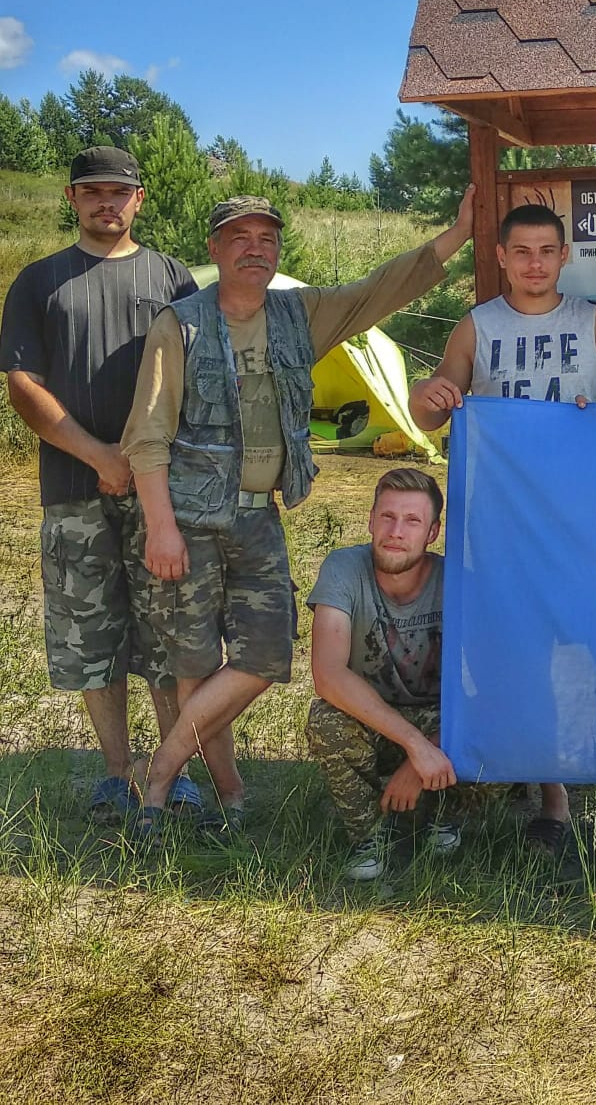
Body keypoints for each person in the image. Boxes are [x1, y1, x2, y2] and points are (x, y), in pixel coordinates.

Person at [121, 187, 475, 844]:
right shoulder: (181, 325)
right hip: (189, 519)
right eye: (240, 238)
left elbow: (378, 290)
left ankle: (161, 767)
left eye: (267, 239)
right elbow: (146, 435)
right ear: (215, 248)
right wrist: (161, 526)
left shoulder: (300, 314)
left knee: (266, 654)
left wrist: (458, 234)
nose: (255, 250)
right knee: (194, 665)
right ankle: (229, 795)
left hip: (259, 519)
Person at [409, 202, 596, 860]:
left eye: (546, 251)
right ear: (500, 256)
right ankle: (552, 798)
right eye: (521, 251)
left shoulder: (591, 323)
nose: (534, 263)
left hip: (587, 524)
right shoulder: (477, 326)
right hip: (504, 526)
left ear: (563, 256)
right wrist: (425, 395)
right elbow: (432, 410)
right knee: (530, 659)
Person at [0, 146, 201, 823]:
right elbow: (23, 387)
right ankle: (116, 773)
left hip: (161, 496)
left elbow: (195, 378)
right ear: (71, 198)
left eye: (119, 191)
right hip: (72, 490)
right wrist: (98, 457)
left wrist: (141, 465)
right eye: (92, 192)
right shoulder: (39, 282)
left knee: (168, 636)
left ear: (139, 198)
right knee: (93, 642)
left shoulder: (172, 278)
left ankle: (172, 772)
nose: (106, 202)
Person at [306, 468, 457, 880]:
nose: (396, 531)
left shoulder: (455, 579)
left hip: (442, 725)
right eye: (387, 517)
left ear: (432, 532)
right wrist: (413, 746)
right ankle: (368, 835)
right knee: (326, 719)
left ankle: (443, 814)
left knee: (493, 724)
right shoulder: (344, 568)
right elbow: (328, 675)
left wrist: (423, 752)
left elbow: (488, 690)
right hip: (375, 720)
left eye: (412, 521)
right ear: (371, 520)